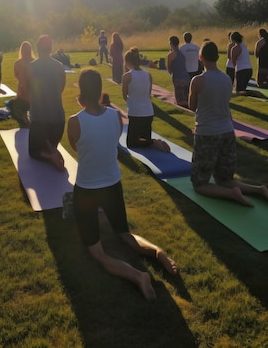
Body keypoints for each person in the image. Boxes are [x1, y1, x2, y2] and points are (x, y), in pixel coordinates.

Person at [67, 69, 178, 300]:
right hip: (113, 185)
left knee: (97, 252)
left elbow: (77, 148)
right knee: (125, 235)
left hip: (87, 190)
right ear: (99, 91)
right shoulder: (115, 117)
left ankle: (138, 276)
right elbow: (111, 141)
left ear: (81, 92)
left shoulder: (75, 121)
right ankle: (158, 253)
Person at [189, 41, 268, 206]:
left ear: (200, 58)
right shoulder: (227, 79)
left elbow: (192, 106)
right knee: (225, 178)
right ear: (217, 57)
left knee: (199, 183)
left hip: (207, 133)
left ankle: (231, 194)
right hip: (227, 131)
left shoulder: (198, 80)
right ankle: (259, 189)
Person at [28, 35, 66, 170]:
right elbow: (61, 88)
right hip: (58, 123)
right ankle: (52, 151)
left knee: (33, 152)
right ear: (50, 49)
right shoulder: (60, 66)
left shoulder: (32, 67)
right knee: (49, 144)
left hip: (40, 123)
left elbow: (28, 89)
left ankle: (50, 156)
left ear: (38, 48)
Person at [122, 47, 169, 152]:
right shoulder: (148, 75)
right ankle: (152, 141)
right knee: (143, 140)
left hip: (136, 113)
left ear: (127, 62)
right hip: (148, 112)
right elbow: (148, 94)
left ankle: (154, 141)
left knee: (131, 143)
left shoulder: (127, 76)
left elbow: (125, 95)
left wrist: (132, 102)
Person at [8, 41, 34, 126]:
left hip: (23, 92)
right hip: (34, 92)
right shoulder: (35, 62)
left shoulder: (18, 63)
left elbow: (17, 76)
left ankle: (23, 114)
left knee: (11, 104)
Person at [167, 36, 190, 108]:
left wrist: (172, 74)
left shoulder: (171, 55)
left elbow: (169, 67)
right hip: (186, 76)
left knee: (180, 100)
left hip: (178, 77)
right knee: (185, 96)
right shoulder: (182, 53)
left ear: (171, 43)